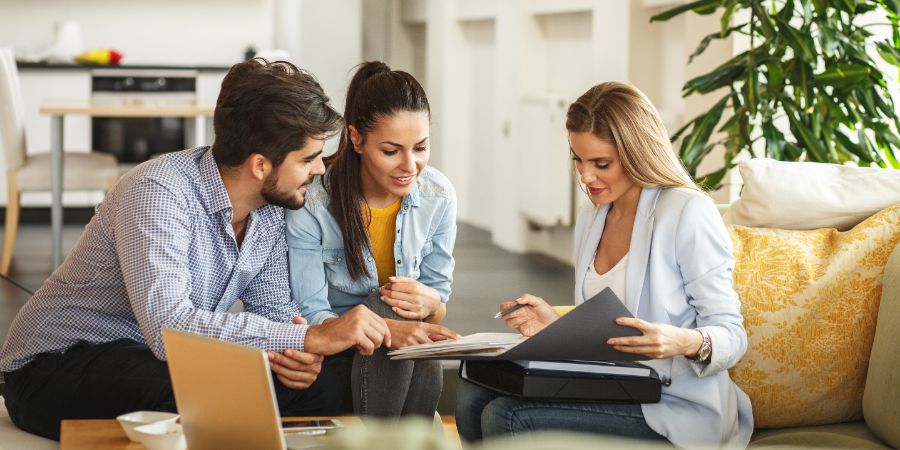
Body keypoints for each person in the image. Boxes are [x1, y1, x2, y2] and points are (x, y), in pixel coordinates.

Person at [0, 59, 392, 440]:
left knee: (334, 383)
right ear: (260, 165)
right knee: (213, 388)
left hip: (156, 358)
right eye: (308, 159)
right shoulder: (158, 191)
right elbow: (168, 327)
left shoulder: (272, 208)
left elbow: (275, 313)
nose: (320, 169)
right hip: (55, 366)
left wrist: (297, 356)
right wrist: (308, 340)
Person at [456, 82, 753, 448]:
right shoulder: (593, 216)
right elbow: (610, 328)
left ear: (637, 153)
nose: (585, 177)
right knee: (473, 394)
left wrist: (682, 341)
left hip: (673, 404)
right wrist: (556, 323)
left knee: (506, 416)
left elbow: (733, 335)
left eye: (601, 164)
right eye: (578, 160)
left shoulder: (687, 212)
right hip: (614, 387)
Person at [285, 61, 459, 419]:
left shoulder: (438, 195)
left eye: (421, 148)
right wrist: (387, 327)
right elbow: (311, 313)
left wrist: (430, 305)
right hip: (337, 347)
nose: (410, 165)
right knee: (385, 305)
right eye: (392, 151)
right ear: (356, 138)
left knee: (409, 321)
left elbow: (437, 303)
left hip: (403, 349)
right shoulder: (314, 203)